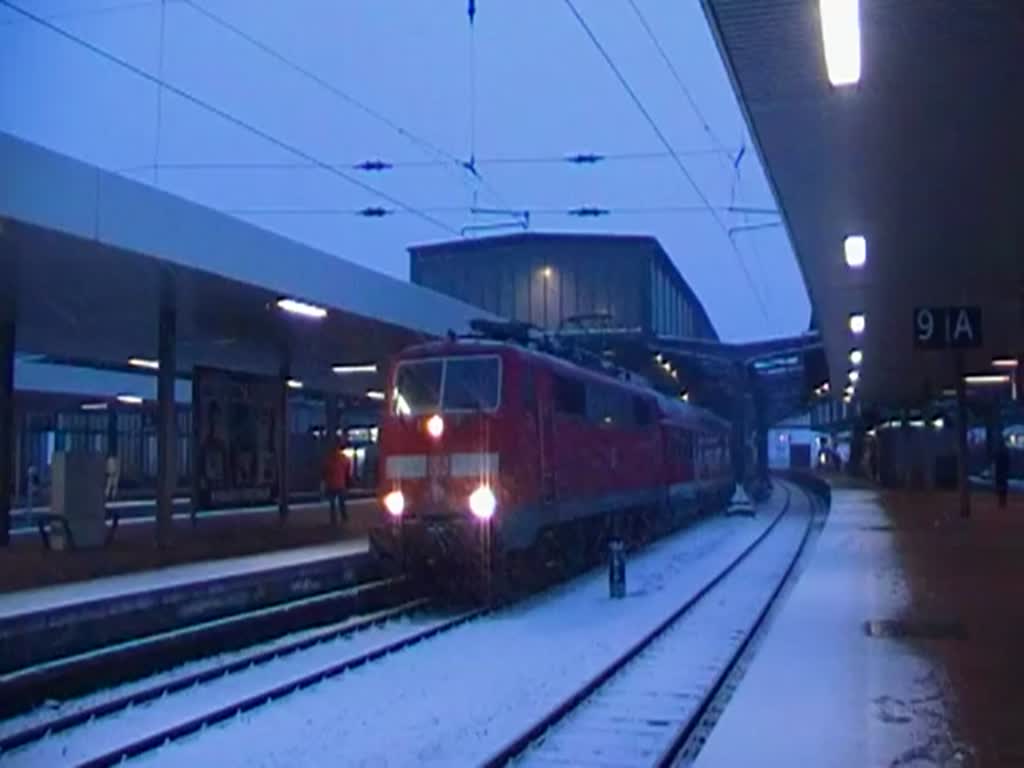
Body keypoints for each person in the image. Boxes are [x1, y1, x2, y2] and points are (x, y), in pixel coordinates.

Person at [322, 437, 351, 526]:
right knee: (342, 502)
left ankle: (333, 519)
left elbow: (324, 471)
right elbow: (347, 472)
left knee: (332, 504)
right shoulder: (344, 458)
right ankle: (344, 517)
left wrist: (325, 481)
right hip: (341, 484)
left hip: (331, 484)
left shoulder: (328, 459)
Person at [995, 441, 1010, 508]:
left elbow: (997, 462)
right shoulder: (1005, 452)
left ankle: (1001, 501)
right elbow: (1007, 462)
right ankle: (1003, 501)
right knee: (1003, 486)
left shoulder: (999, 452)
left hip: (1000, 471)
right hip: (1003, 471)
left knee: (1001, 486)